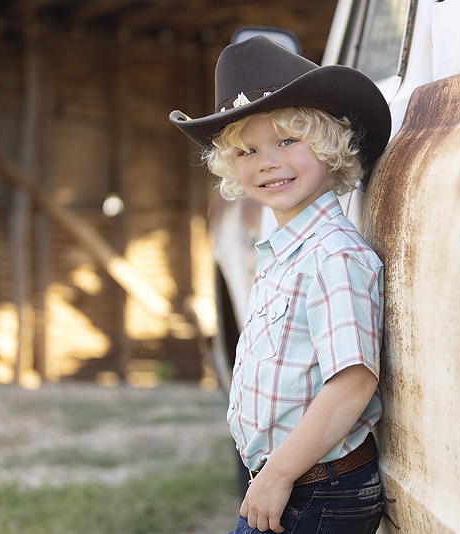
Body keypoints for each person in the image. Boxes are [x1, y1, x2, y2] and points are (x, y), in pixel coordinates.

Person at [169, 35, 391, 534]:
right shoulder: (287, 250)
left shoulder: (332, 255)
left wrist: (279, 474)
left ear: (329, 145)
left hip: (316, 488)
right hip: (299, 482)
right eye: (247, 150)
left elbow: (353, 382)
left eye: (288, 141)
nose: (267, 161)